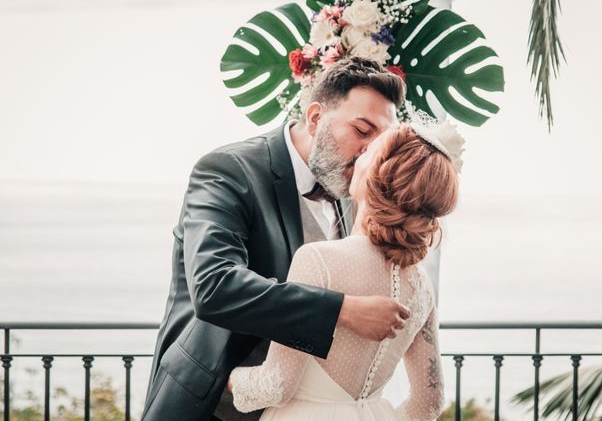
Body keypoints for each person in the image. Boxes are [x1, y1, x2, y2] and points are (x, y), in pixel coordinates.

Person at [141, 57, 413, 421]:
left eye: (380, 142)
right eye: (362, 131)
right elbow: (214, 286)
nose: (370, 153)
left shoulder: (351, 190)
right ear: (316, 118)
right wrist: (342, 311)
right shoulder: (227, 170)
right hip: (211, 405)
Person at [227, 122, 460, 420]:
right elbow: (430, 400)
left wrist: (228, 379)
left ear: (376, 175)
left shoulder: (318, 260)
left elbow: (277, 385)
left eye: (369, 152)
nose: (358, 156)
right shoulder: (420, 285)